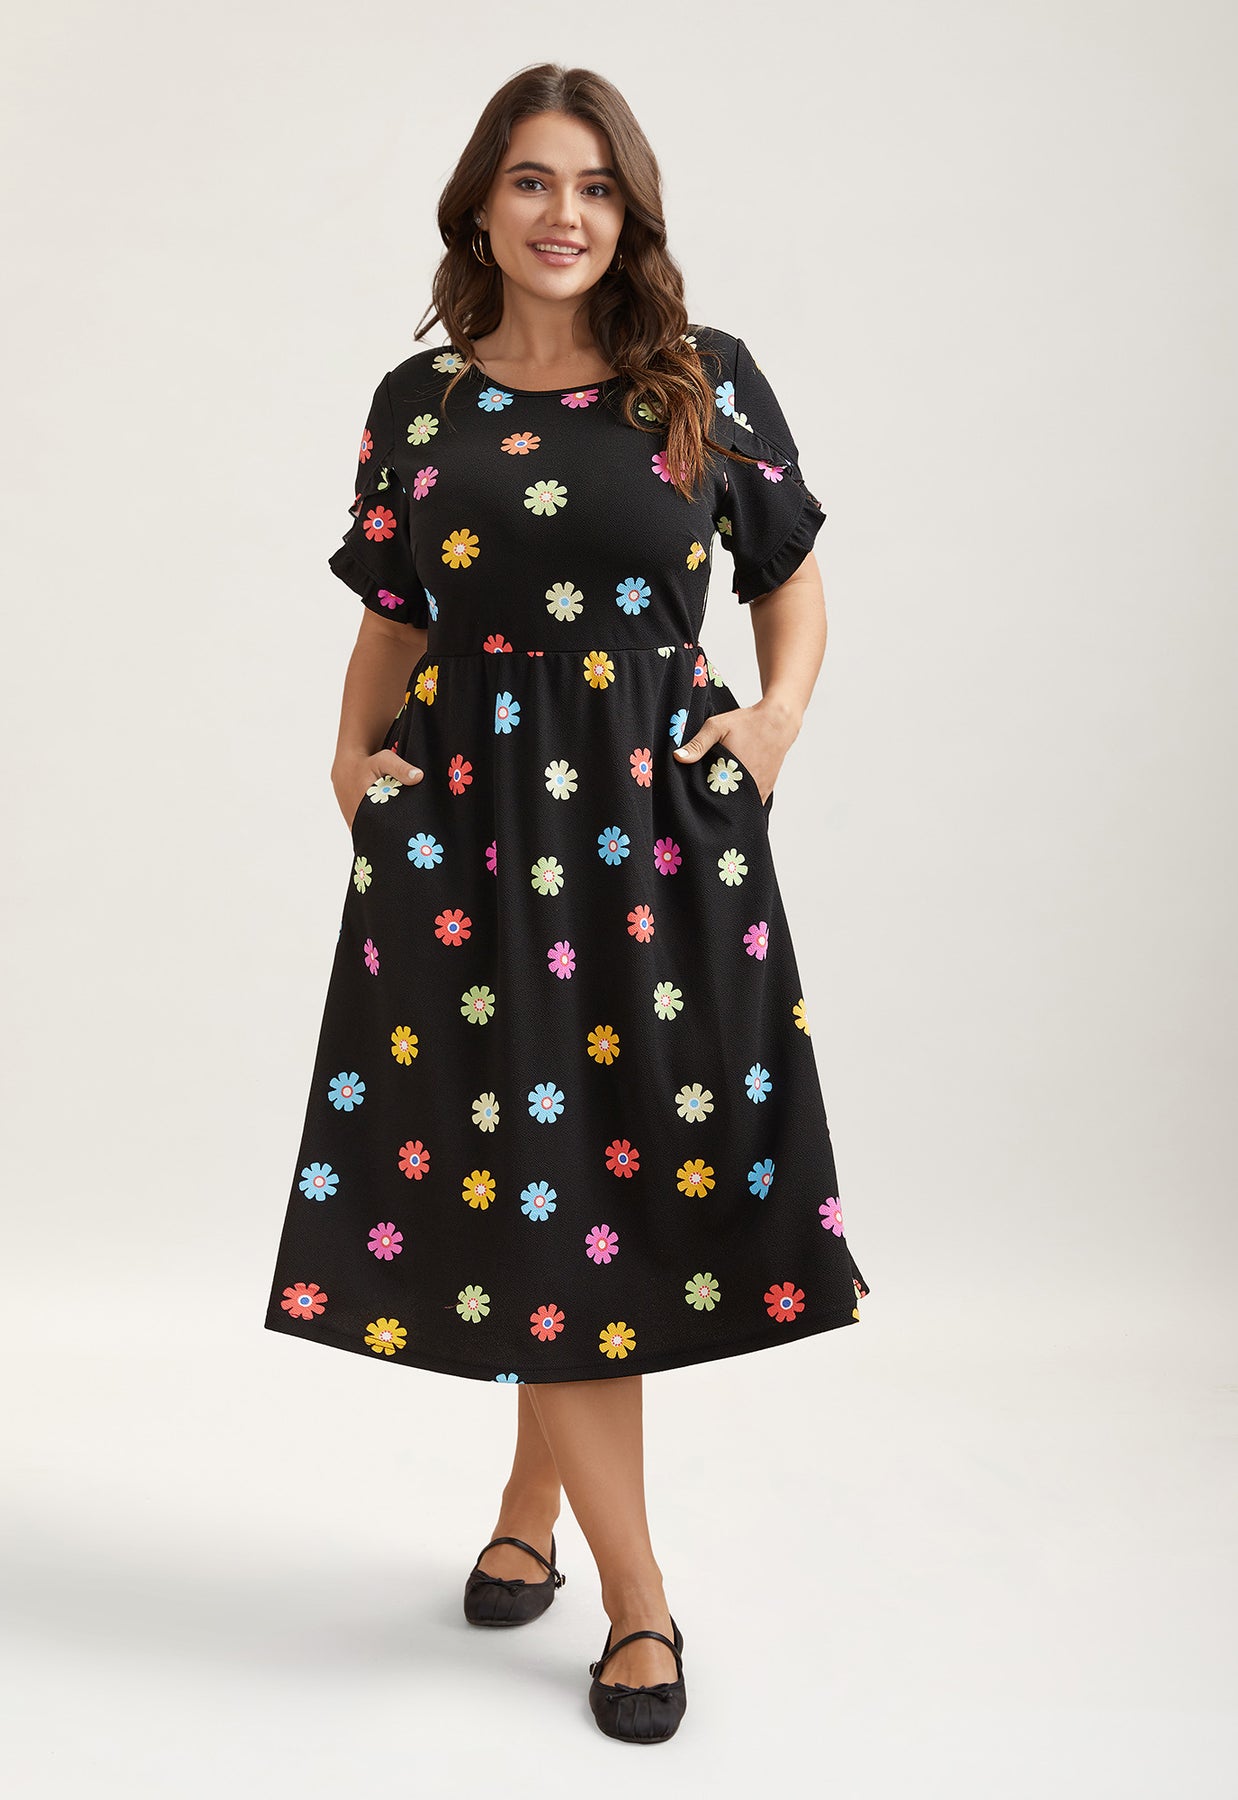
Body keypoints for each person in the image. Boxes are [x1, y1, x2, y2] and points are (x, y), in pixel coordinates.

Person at [264, 61, 870, 1744]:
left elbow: (790, 573)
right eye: (532, 180)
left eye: (595, 187)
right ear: (481, 205)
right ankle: (630, 1594)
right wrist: (348, 762)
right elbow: (392, 610)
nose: (563, 214)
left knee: (599, 1184)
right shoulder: (417, 402)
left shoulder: (699, 379)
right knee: (533, 1190)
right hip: (464, 841)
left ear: (630, 213)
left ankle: (553, 1534)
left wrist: (775, 718)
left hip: (653, 838)